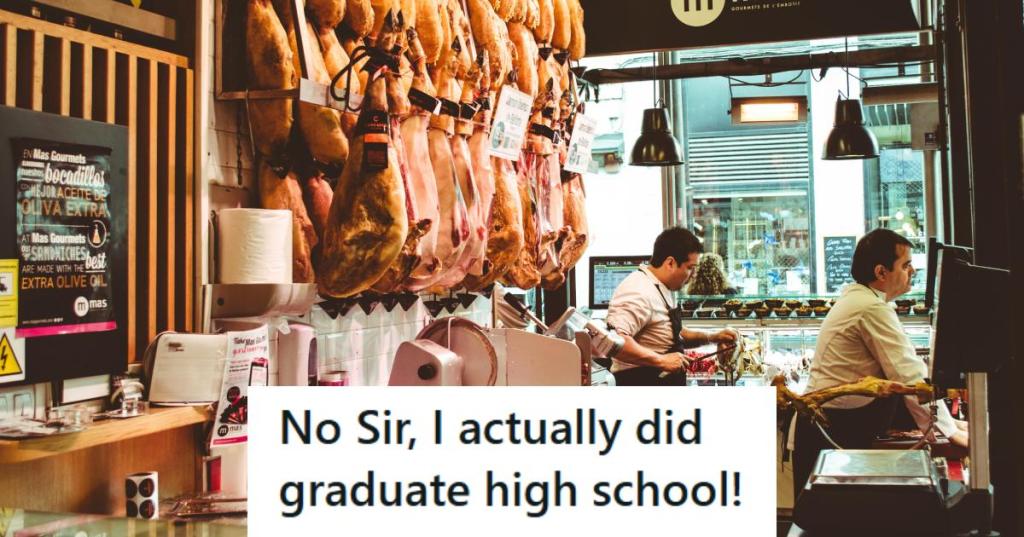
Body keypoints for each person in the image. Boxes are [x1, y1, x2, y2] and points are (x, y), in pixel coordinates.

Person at [792, 228, 968, 493]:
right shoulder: (870, 307)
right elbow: (908, 374)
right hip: (832, 428)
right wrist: (949, 432)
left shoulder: (867, 300)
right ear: (881, 273)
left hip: (832, 424)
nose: (913, 272)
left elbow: (904, 371)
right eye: (906, 265)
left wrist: (951, 424)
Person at [604, 227, 738, 386]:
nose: (693, 275)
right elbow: (613, 341)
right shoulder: (637, 290)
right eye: (690, 268)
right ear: (670, 263)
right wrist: (660, 360)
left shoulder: (661, 286)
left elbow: (672, 334)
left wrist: (712, 337)